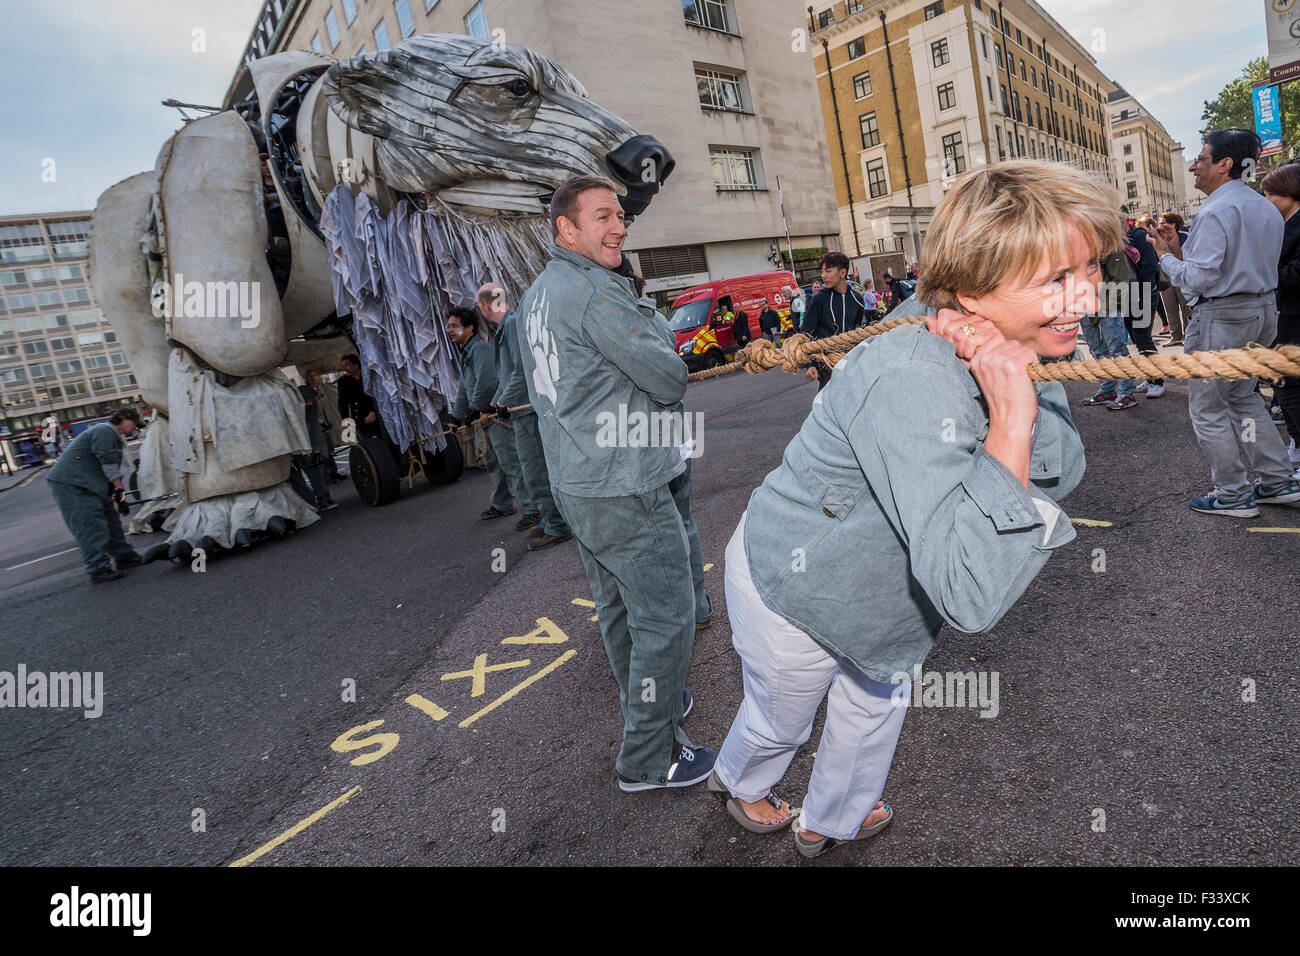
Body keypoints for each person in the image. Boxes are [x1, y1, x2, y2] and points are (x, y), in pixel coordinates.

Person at [709, 160, 1102, 855]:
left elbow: (1063, 466)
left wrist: (1020, 393)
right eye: (1056, 281)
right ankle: (738, 779)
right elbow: (972, 592)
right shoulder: (908, 370)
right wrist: (1010, 418)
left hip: (890, 599)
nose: (1090, 300)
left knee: (873, 709)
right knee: (781, 721)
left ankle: (830, 817)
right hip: (799, 590)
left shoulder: (1013, 342)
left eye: (1091, 269)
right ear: (975, 288)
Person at [516, 174, 713, 791]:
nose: (619, 227)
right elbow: (669, 377)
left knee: (619, 612)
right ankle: (650, 756)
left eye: (620, 216)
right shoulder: (598, 295)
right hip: (625, 481)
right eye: (602, 217)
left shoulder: (537, 296)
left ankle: (648, 707)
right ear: (566, 230)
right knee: (667, 617)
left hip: (578, 483)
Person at [1150, 128, 1300, 515]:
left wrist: (1166, 256)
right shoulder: (1264, 207)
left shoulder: (1217, 209)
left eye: (1201, 158)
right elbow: (1237, 262)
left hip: (1223, 317)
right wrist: (1181, 251)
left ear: (1225, 164)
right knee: (1244, 398)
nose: (1194, 165)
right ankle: (1277, 479)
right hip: (1262, 311)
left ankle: (1233, 493)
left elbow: (1200, 278)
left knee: (1209, 408)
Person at [480, 282, 572, 548]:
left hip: (527, 410)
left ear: (485, 306)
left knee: (535, 470)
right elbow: (508, 374)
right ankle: (548, 520)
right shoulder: (509, 325)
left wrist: (502, 403)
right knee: (533, 467)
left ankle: (556, 526)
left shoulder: (511, 325)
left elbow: (522, 370)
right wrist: (496, 401)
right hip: (521, 409)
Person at [46, 408, 145, 584]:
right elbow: (107, 463)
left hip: (92, 484)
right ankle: (98, 569)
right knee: (90, 527)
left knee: (111, 521)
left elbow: (105, 470)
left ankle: (124, 556)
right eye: (134, 424)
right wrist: (120, 492)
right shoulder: (104, 431)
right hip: (73, 484)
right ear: (123, 419)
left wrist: (119, 498)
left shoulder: (114, 436)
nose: (135, 429)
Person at [446, 305, 525, 520]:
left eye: (455, 326)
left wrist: (476, 408)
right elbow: (464, 387)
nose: (450, 330)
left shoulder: (480, 350)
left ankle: (534, 510)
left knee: (510, 461)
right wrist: (456, 415)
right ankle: (502, 504)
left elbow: (487, 382)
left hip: (493, 415)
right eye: (449, 326)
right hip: (482, 418)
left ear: (469, 327)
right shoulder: (467, 354)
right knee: (493, 463)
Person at [1259, 162, 1300, 470]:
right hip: (1287, 313)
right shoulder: (1286, 223)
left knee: (1290, 386)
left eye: (1271, 192)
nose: (1267, 198)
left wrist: (1263, 265)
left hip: (1294, 317)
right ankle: (1296, 444)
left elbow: (1294, 274)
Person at [1080, 239, 1139, 410]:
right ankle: (1108, 389)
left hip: (1107, 305)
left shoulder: (1110, 246)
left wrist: (1111, 304)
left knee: (1117, 350)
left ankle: (1127, 393)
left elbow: (1121, 279)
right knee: (1097, 350)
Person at [801, 251, 869, 390]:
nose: (823, 276)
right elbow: (806, 333)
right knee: (829, 401)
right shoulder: (818, 299)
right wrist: (811, 364)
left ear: (842, 273)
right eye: (822, 271)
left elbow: (858, 334)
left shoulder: (857, 300)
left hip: (850, 362)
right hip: (825, 363)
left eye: (828, 271)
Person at [1125, 217, 1167, 398]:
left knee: (1142, 336)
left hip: (1141, 292)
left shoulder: (1138, 236)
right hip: (1125, 294)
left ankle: (1158, 381)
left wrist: (1142, 292)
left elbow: (1149, 265)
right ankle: (1151, 378)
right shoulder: (1112, 238)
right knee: (1136, 337)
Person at [296, 369, 337, 512]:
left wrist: (315, 447)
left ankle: (323, 499)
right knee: (297, 476)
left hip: (308, 440)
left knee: (316, 469)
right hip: (295, 444)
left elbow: (313, 421)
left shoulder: (310, 398)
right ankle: (310, 502)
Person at [1157, 212, 1191, 345]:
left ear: (1173, 224)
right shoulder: (1158, 238)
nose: (1160, 226)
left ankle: (1188, 335)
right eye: (1159, 223)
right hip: (1165, 275)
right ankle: (1175, 335)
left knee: (1185, 306)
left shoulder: (1184, 237)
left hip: (1181, 273)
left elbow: (1185, 257)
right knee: (1170, 307)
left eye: (1163, 223)